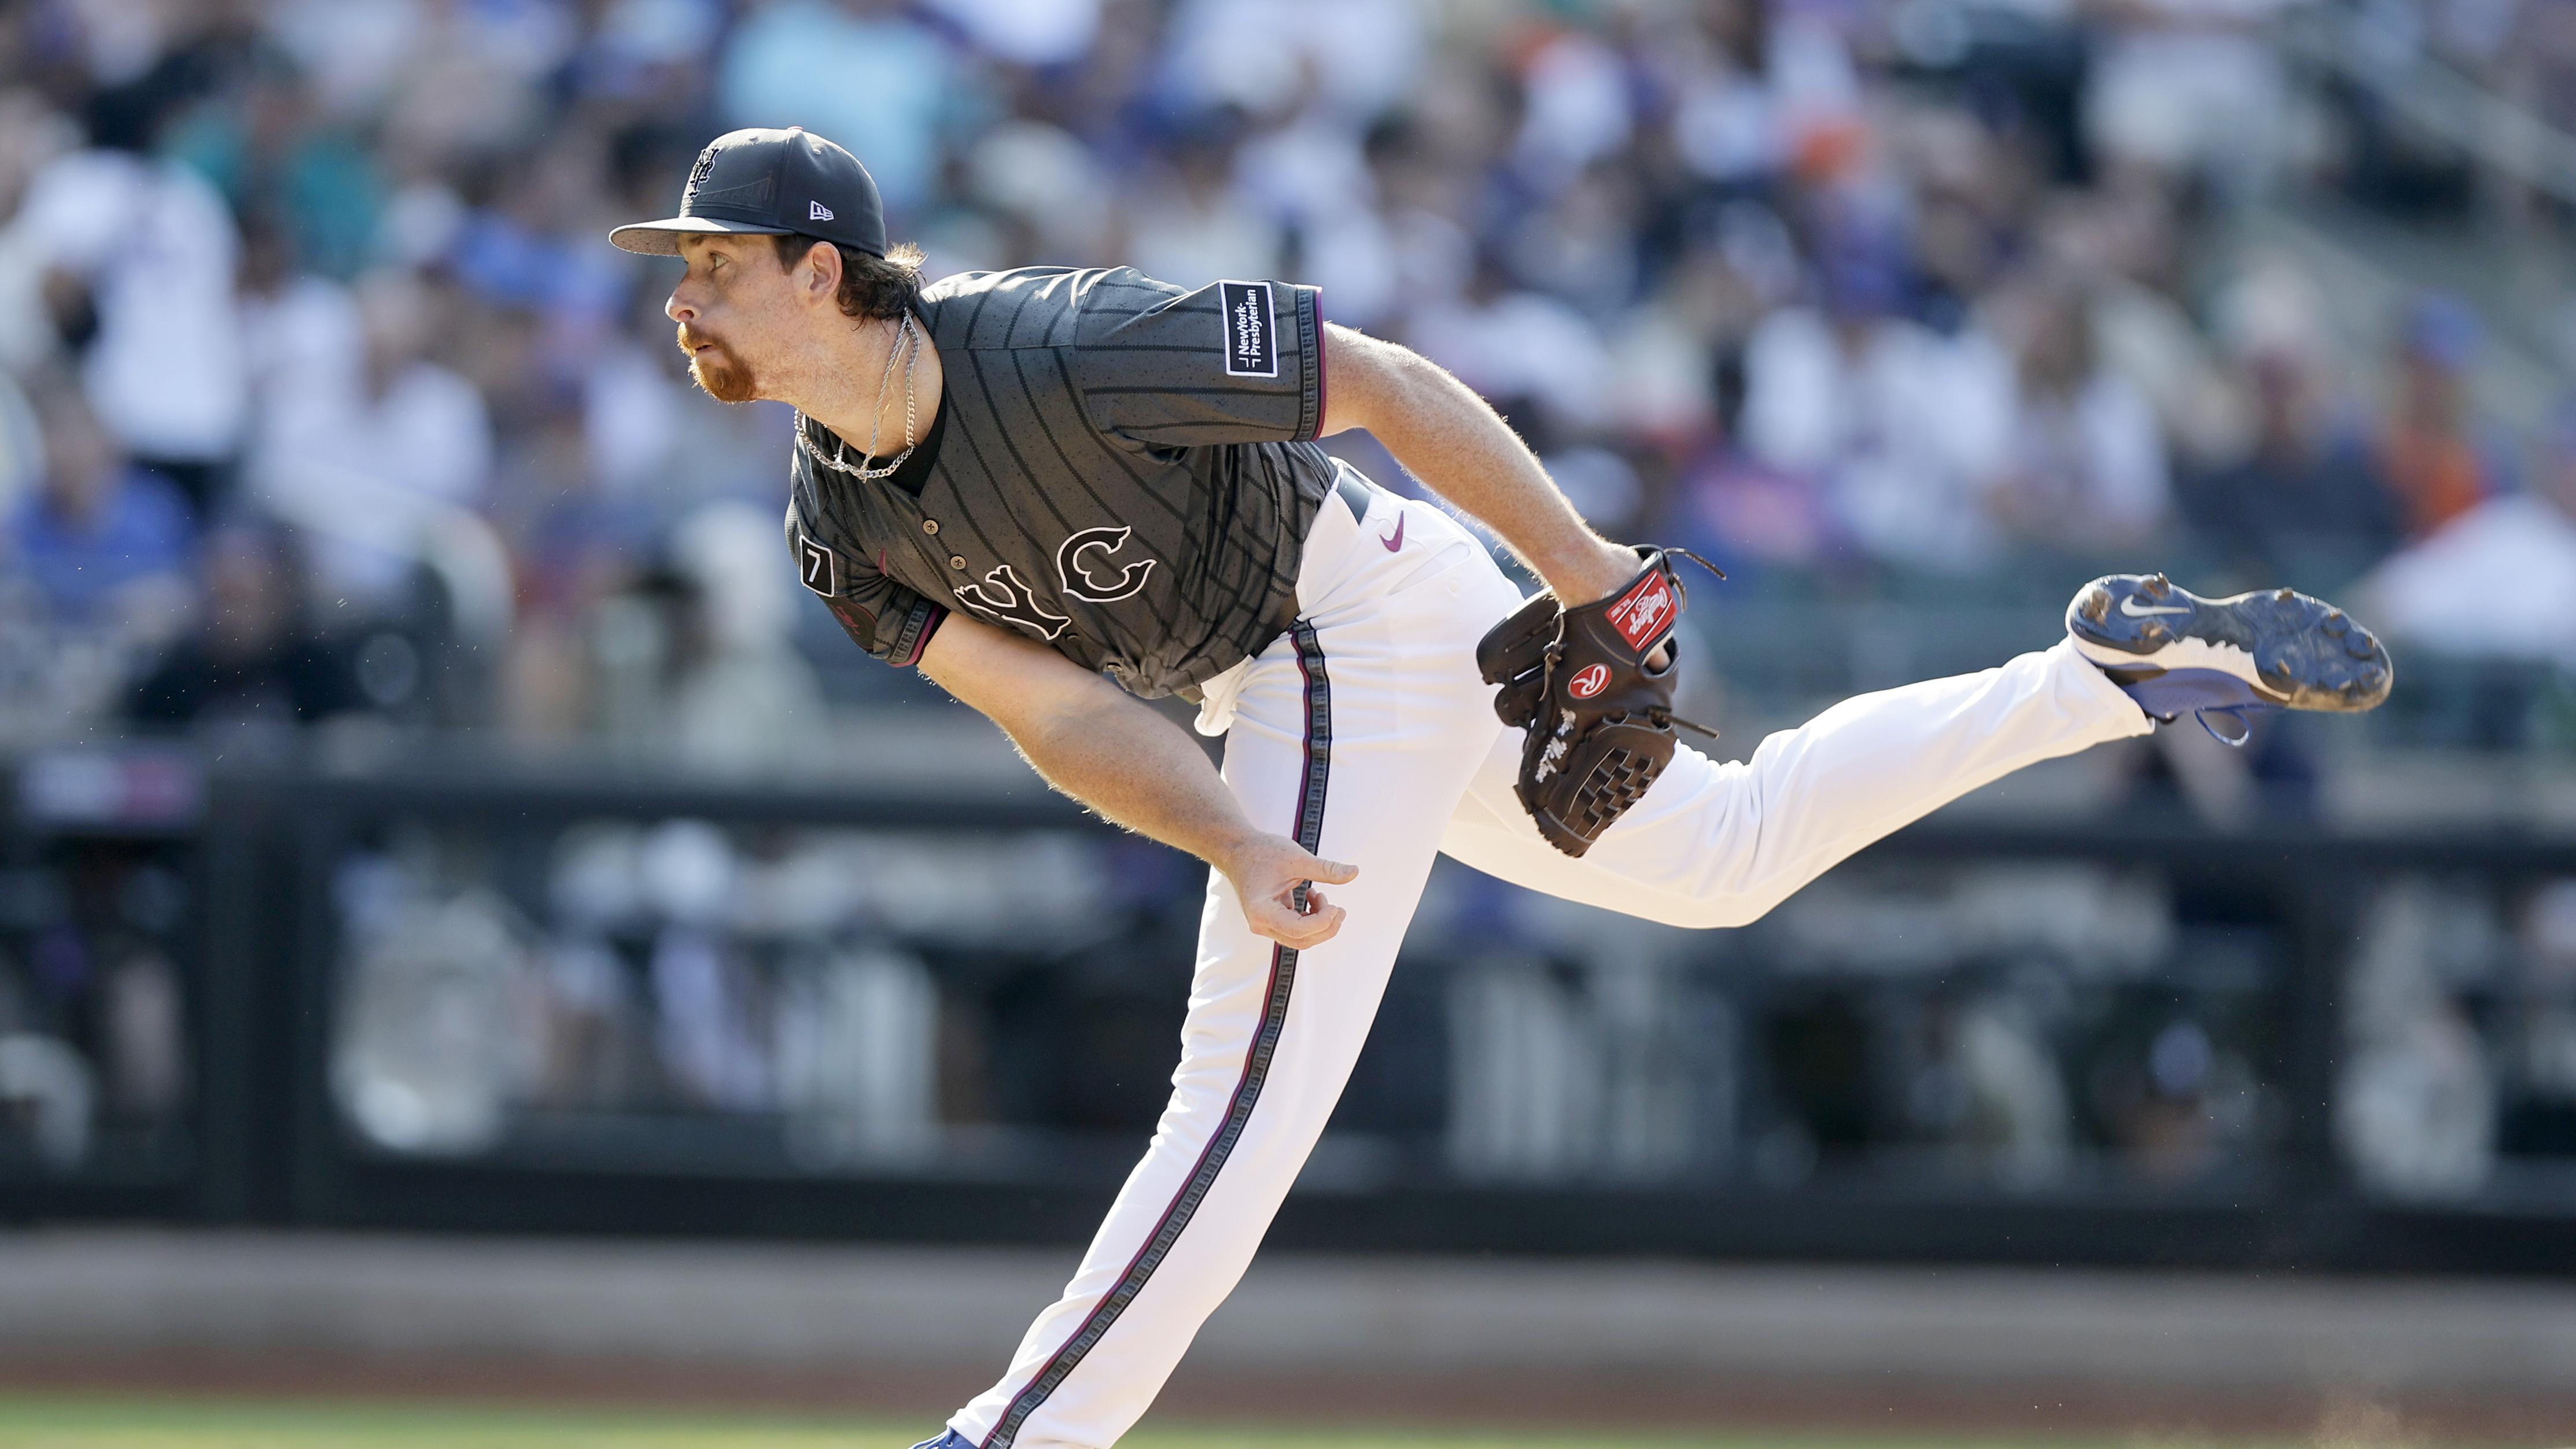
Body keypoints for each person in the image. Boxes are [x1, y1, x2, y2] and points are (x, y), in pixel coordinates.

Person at [609, 127, 2391, 1449]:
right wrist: (1230, 829)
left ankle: (1013, 1437)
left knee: (1248, 1078)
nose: (684, 290)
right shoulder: (833, 520)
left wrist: (1594, 576)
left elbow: (1373, 380)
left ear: (819, 271)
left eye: (712, 259)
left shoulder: (1054, 342)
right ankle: (2103, 675)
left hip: (1351, 606)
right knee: (1728, 853)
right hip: (1291, 668)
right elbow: (1052, 713)